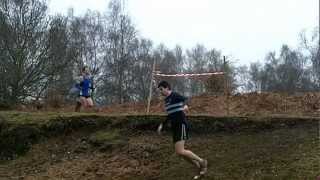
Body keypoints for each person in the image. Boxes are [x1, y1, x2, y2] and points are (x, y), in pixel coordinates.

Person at [156, 80, 208, 179]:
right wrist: (162, 125)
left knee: (180, 151)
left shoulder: (174, 95)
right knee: (180, 153)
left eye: (161, 89)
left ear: (167, 87)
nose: (160, 92)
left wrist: (185, 105)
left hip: (181, 125)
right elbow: (170, 115)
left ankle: (202, 162)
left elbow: (186, 99)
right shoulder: (166, 101)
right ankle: (198, 167)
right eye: (159, 90)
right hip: (175, 127)